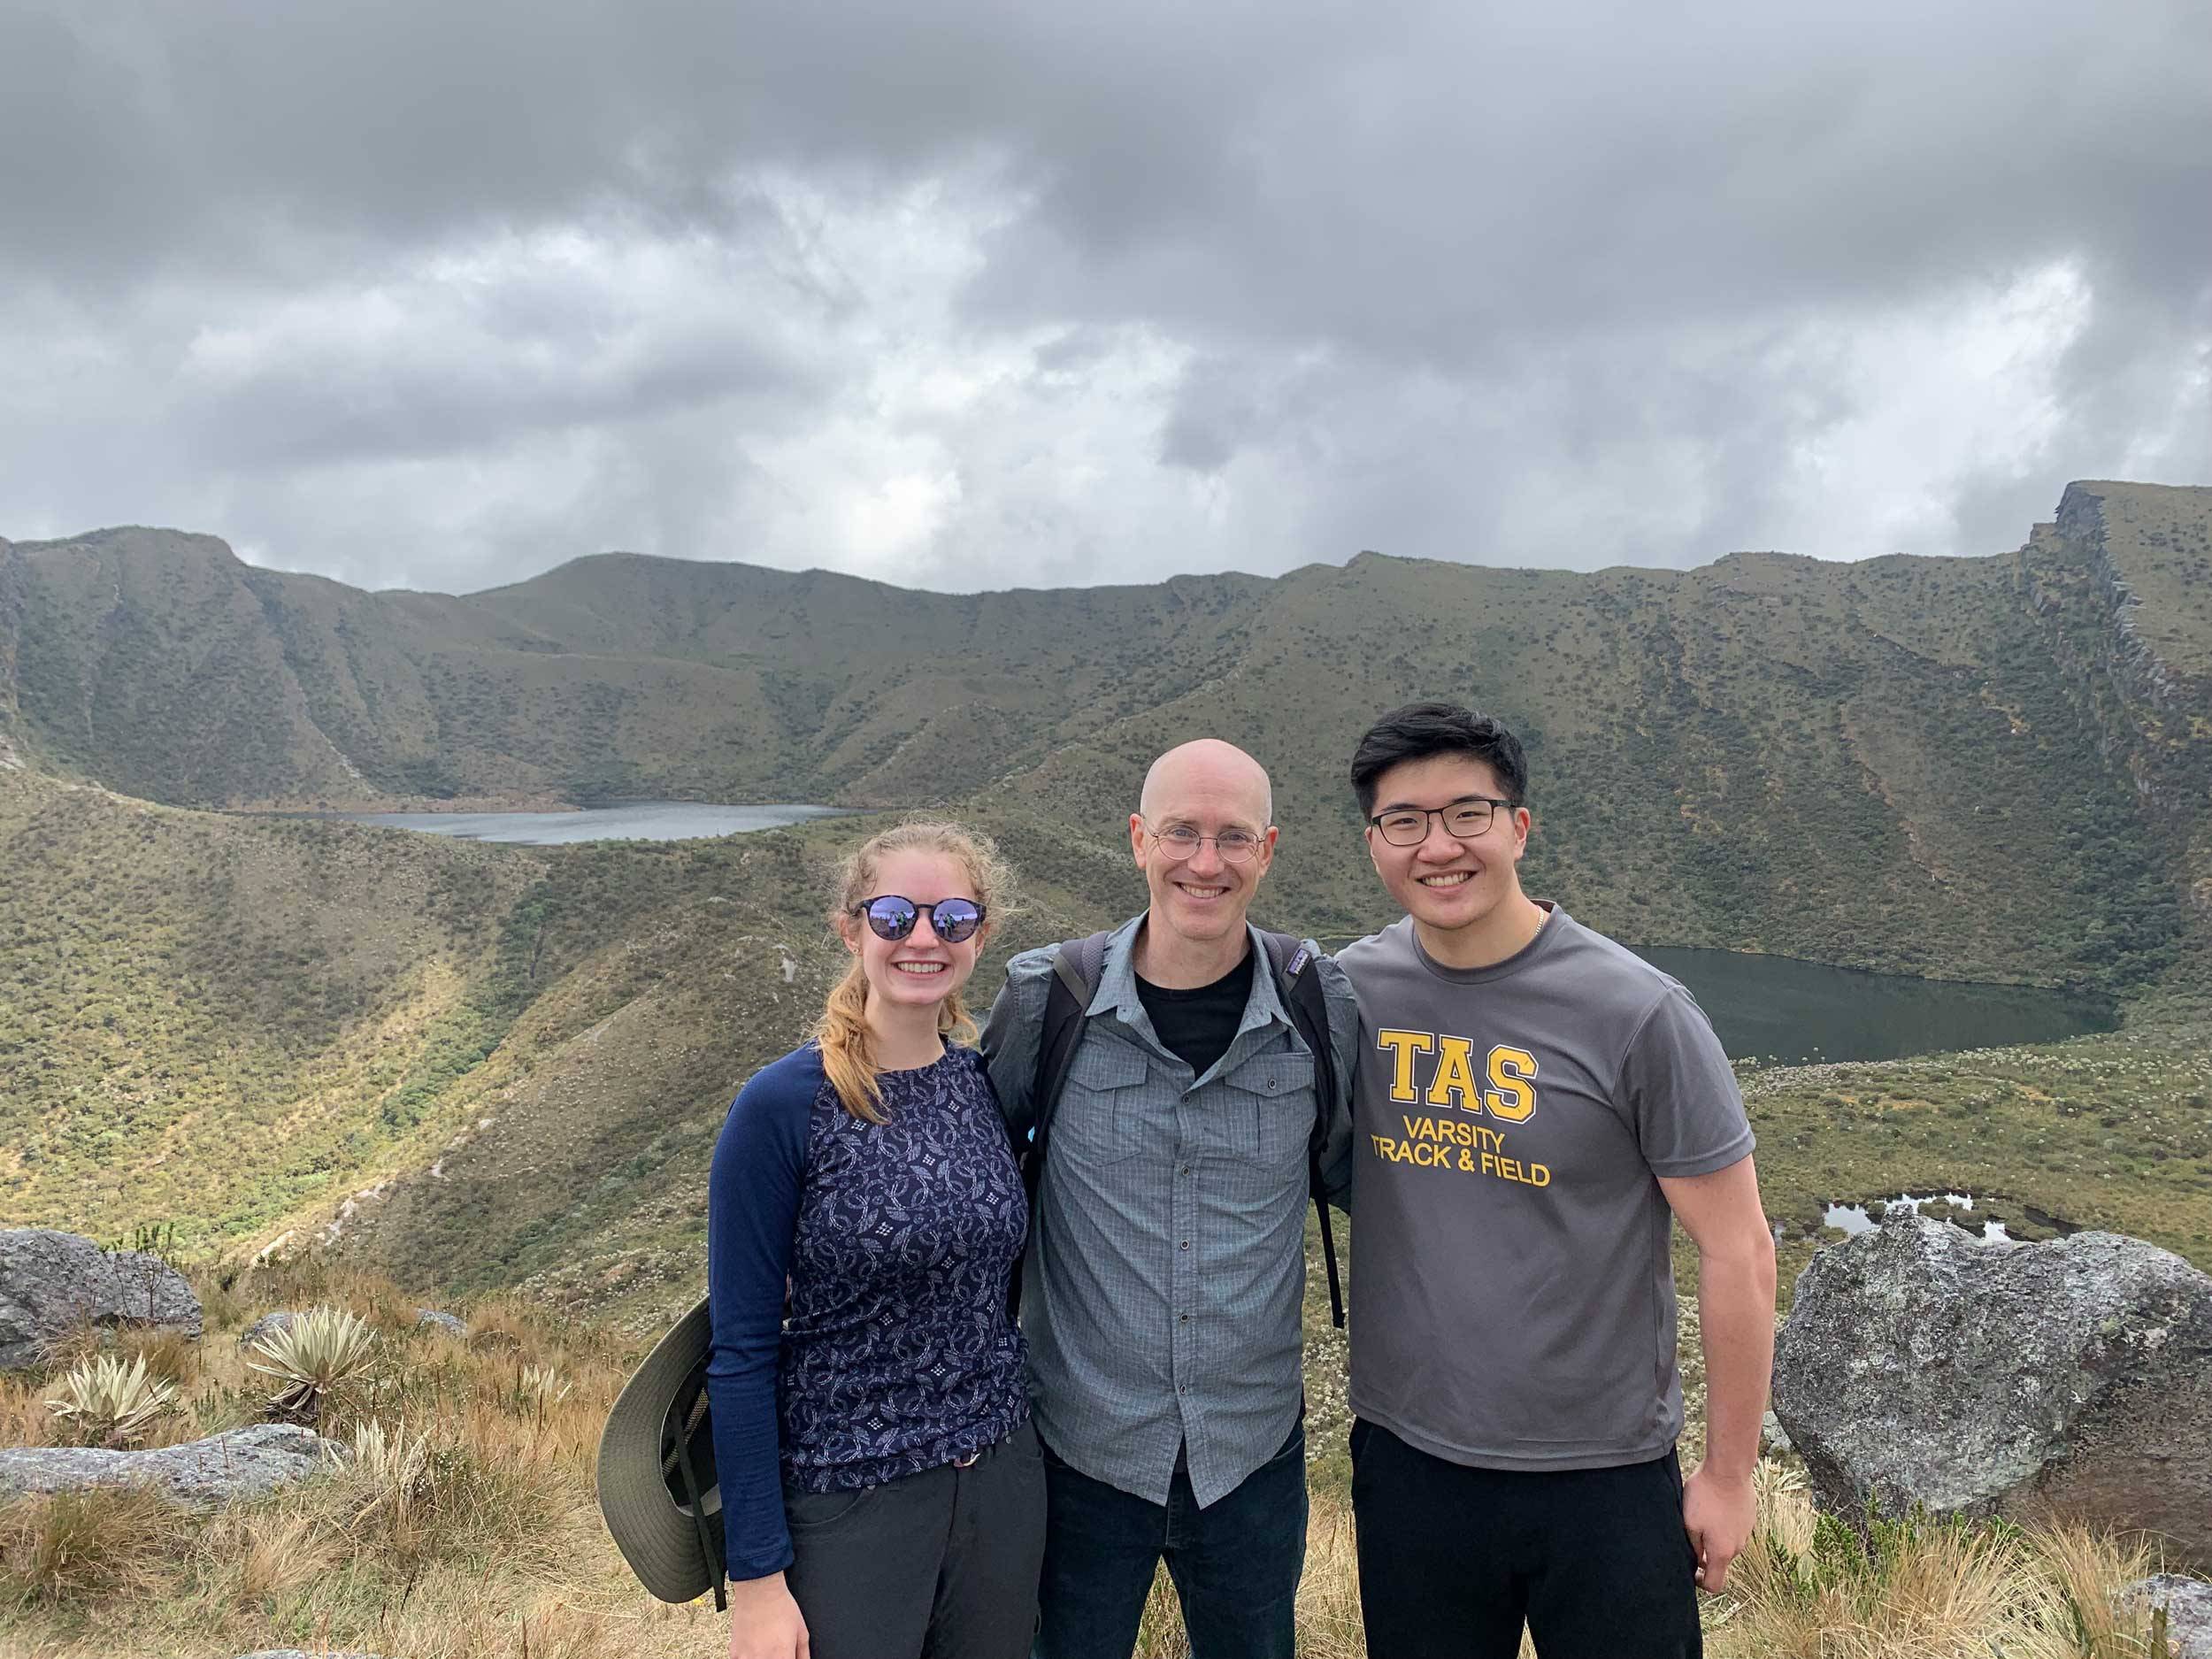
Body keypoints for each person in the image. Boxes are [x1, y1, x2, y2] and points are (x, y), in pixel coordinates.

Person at [1336, 701, 1778, 1659]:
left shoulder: (1637, 1012)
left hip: (1605, 1475)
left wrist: (1729, 1475)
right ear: (1373, 841)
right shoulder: (1348, 993)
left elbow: (1737, 1247)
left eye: (1467, 814)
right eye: (1403, 821)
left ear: (1517, 827)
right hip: (1411, 1463)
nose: (1436, 846)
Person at [980, 738, 1357, 1659]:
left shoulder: (1318, 1002)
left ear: (1267, 850)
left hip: (1251, 1453)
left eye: (1232, 838)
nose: (1204, 862)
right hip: (1078, 1446)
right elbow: (975, 1191)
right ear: (1138, 840)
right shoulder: (1048, 998)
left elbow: (1364, 1180)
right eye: (1181, 833)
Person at [704, 819, 1044, 1659]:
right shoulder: (783, 1105)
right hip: (849, 1499)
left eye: (952, 918)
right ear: (851, 927)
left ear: (981, 935)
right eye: (895, 916)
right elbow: (741, 1350)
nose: (923, 938)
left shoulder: (981, 1086)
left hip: (1001, 1485)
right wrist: (756, 1579)